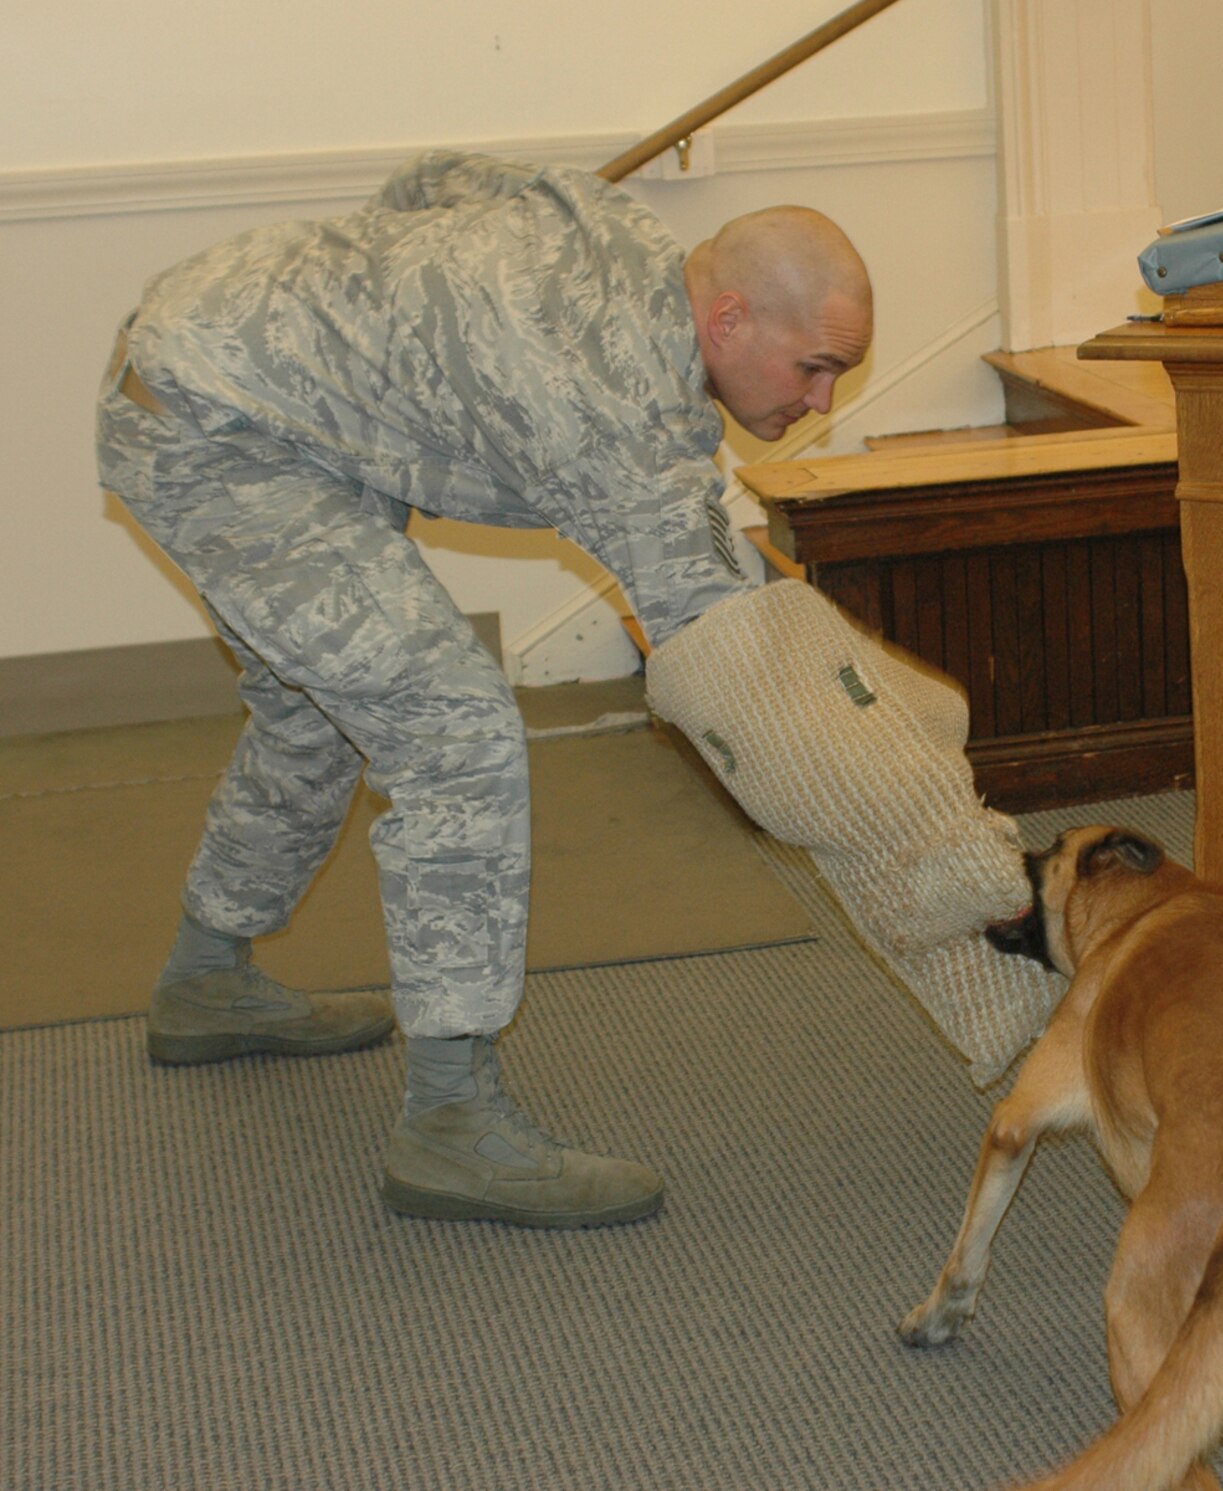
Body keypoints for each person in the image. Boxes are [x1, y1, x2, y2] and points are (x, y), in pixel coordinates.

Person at [99, 150, 874, 1230]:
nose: (823, 399)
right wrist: (889, 784)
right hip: (218, 435)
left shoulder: (614, 227)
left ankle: (205, 978)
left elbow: (436, 180)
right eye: (815, 368)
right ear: (730, 319)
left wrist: (386, 329)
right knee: (454, 734)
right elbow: (722, 645)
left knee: (317, 717)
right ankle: (451, 1127)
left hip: (217, 372)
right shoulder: (614, 411)